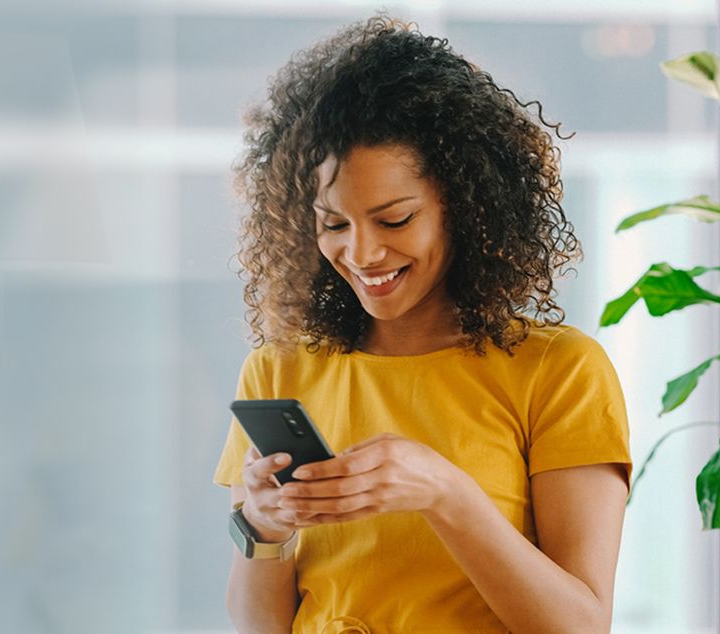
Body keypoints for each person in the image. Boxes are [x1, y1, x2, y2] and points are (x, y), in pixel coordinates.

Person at [213, 16, 632, 634]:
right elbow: (260, 626)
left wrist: (444, 492)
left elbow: (582, 626)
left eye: (394, 219)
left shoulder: (559, 370)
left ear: (464, 205)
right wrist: (266, 527)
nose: (361, 254)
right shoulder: (279, 370)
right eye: (334, 225)